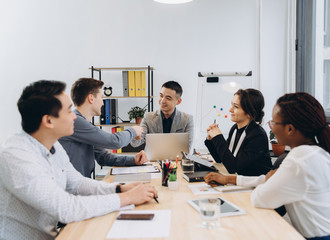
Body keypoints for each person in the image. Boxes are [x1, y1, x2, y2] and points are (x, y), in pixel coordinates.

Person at [0, 80, 157, 239]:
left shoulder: (54, 146)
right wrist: (127, 198)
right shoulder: (17, 156)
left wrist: (120, 188)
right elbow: (66, 208)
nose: (74, 117)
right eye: (69, 111)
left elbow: (78, 183)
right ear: (48, 121)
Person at [251, 92, 330, 239]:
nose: (271, 127)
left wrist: (269, 179)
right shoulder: (318, 152)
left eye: (274, 123)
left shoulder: (299, 157)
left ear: (290, 129)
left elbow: (259, 198)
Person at [59, 78, 148, 178]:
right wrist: (133, 131)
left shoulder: (85, 125)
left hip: (81, 185)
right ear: (91, 98)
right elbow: (114, 141)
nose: (103, 103)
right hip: (71, 189)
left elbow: (103, 157)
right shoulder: (75, 121)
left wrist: (133, 160)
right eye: (101, 98)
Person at [204, 88, 272, 176]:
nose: (230, 110)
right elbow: (221, 159)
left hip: (255, 184)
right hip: (240, 180)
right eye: (232, 105)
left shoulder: (258, 135)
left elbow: (233, 167)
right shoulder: (235, 128)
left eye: (236, 106)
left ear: (249, 112)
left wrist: (218, 137)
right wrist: (211, 140)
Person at [130, 80, 194, 150]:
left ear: (178, 101)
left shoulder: (187, 119)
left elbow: (188, 148)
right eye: (161, 96)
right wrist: (134, 135)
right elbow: (135, 143)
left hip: (176, 159)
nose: (162, 101)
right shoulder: (148, 117)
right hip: (152, 159)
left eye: (168, 98)